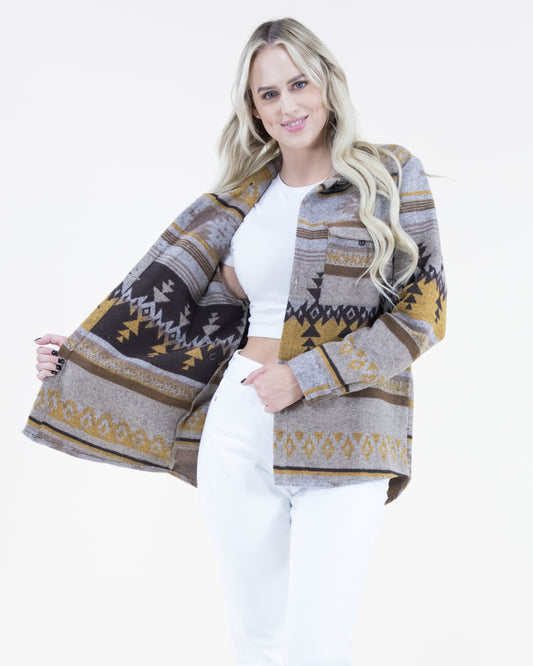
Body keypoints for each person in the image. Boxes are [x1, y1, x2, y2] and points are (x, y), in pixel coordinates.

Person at [26, 17, 446, 666]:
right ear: (252, 109)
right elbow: (182, 313)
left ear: (328, 83)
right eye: (267, 93)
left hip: (348, 428)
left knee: (318, 644)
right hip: (239, 424)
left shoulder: (390, 174)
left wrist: (306, 376)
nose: (287, 105)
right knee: (257, 641)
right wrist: (83, 356)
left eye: (298, 84)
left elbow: (423, 313)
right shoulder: (239, 201)